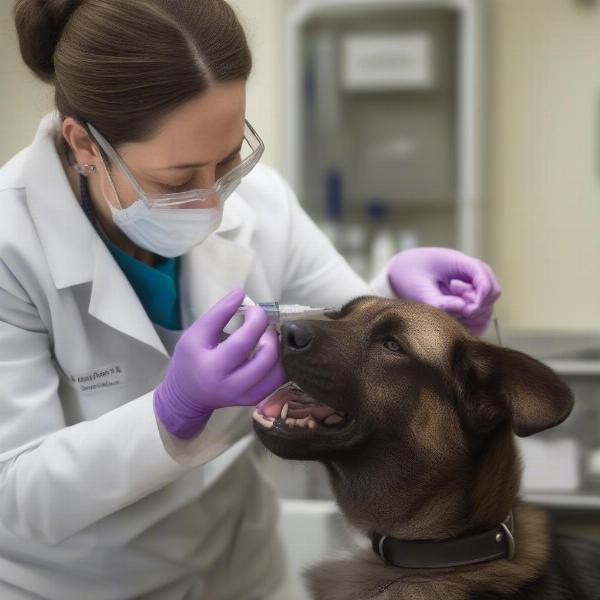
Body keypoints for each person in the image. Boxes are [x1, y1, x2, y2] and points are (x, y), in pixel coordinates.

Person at [0, 0, 501, 598]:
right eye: (178, 181)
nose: (215, 201)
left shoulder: (259, 200)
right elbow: (15, 494)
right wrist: (170, 411)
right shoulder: (12, 245)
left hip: (239, 570)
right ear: (85, 145)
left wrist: (409, 304)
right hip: (82, 584)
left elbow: (348, 336)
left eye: (230, 158)